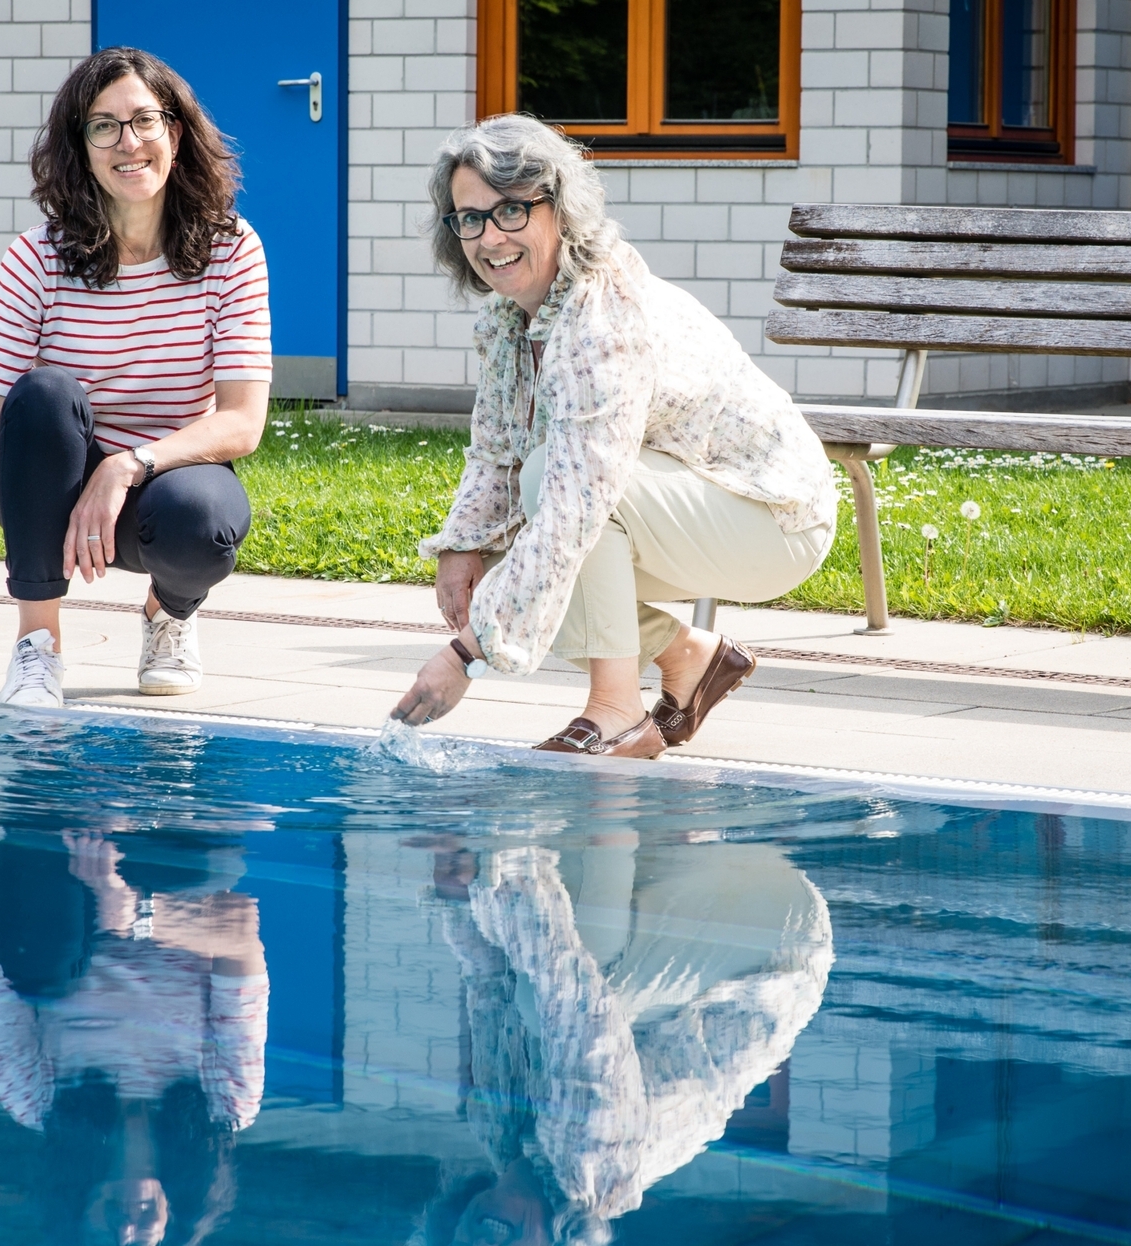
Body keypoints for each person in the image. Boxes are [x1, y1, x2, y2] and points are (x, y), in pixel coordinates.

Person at [391, 114, 840, 758]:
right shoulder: (507, 319)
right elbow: (494, 450)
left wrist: (465, 655)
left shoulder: (602, 319)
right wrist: (463, 546)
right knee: (507, 547)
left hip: (774, 520)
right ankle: (687, 656)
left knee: (554, 492)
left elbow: (578, 502)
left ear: (561, 211)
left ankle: (617, 713)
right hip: (683, 504)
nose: (490, 237)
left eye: (512, 211)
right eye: (470, 218)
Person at [0, 46, 272, 706]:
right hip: (54, 492)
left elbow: (242, 420)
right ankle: (38, 645)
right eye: (104, 126)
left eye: (145, 120)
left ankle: (168, 614)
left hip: (164, 485)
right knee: (40, 396)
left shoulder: (230, 248)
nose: (129, 143)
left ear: (175, 134)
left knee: (203, 519)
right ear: (80, 148)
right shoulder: (36, 259)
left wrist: (128, 466)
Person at [418, 835, 832, 1244]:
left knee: (533, 967)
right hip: (777, 952)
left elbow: (491, 988)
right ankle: (608, 814)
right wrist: (501, 866)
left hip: (717, 913)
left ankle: (648, 826)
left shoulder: (501, 1137)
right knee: (549, 990)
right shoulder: (595, 1165)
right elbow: (577, 1002)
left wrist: (458, 891)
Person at [0, 826, 267, 1246]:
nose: (125, 1233)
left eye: (104, 1240)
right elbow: (239, 928)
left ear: (77, 1214)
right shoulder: (226, 1104)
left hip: (57, 870)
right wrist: (131, 910)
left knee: (43, 972)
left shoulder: (36, 1101)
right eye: (141, 1241)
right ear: (172, 1226)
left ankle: (66, 808)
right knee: (215, 868)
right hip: (169, 863)